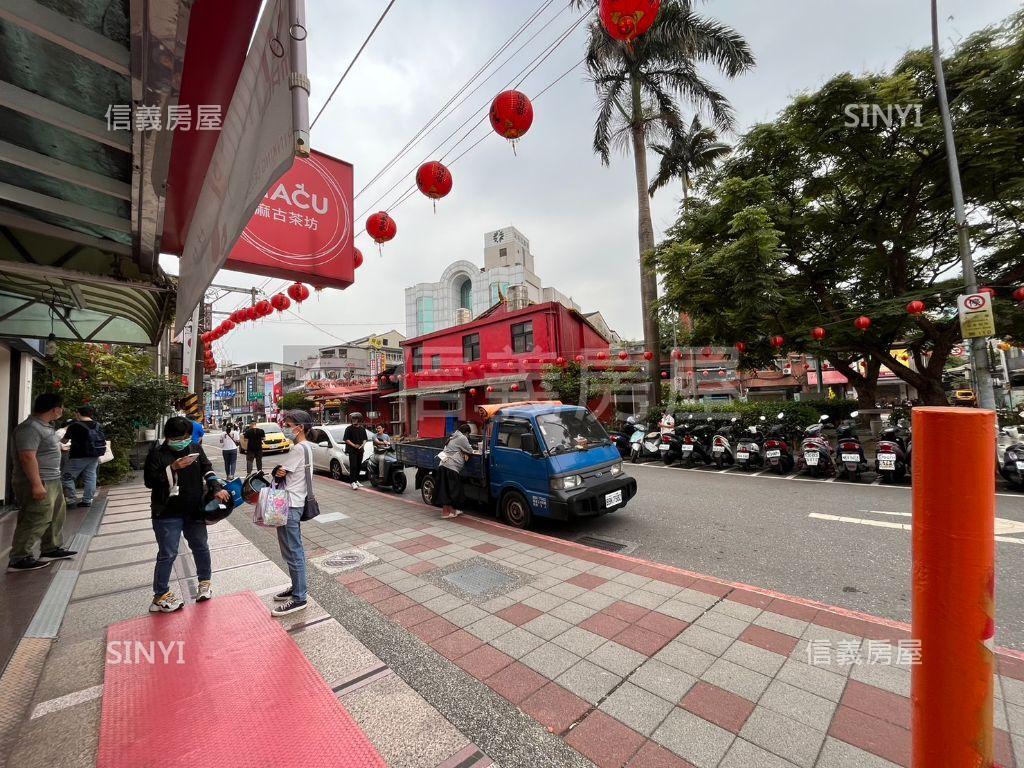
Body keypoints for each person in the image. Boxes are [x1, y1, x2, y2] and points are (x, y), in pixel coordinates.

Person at [143, 416, 229, 612]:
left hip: (194, 509)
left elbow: (207, 469)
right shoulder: (157, 453)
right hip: (167, 512)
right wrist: (172, 468)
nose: (184, 440)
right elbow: (150, 481)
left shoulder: (194, 448)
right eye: (180, 437)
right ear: (168, 436)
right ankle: (160, 594)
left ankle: (205, 583)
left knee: (200, 546)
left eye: (187, 436)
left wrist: (215, 487)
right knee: (168, 553)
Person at [8, 393, 77, 572]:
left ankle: (51, 548)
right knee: (36, 517)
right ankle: (19, 558)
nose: (61, 410)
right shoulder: (30, 428)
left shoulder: (45, 426)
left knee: (55, 515)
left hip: (52, 478)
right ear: (55, 409)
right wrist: (37, 484)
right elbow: (27, 456)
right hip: (37, 480)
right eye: (61, 407)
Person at [271, 410, 314, 616]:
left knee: (293, 551)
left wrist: (278, 471)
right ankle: (296, 587)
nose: (286, 428)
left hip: (288, 504)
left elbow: (281, 473)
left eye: (288, 425)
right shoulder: (307, 447)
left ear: (300, 427)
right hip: (293, 503)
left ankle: (299, 597)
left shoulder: (298, 449)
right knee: (291, 550)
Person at [60, 405, 106, 508]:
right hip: (94, 455)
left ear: (78, 414)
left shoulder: (74, 426)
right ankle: (87, 500)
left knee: (66, 477)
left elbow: (64, 441)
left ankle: (70, 500)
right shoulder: (98, 425)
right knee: (90, 477)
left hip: (78, 456)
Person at [436, 423, 473, 520]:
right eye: (468, 434)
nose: (468, 436)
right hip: (451, 467)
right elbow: (470, 450)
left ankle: (448, 512)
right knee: (453, 491)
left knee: (445, 490)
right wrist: (465, 452)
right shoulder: (462, 438)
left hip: (443, 465)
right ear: (466, 432)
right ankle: (450, 511)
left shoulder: (452, 436)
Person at [342, 413, 368, 489]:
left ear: (359, 420)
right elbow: (346, 439)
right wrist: (354, 445)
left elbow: (365, 439)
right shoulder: (348, 429)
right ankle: (352, 482)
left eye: (355, 419)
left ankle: (356, 480)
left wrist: (362, 445)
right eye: (353, 419)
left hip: (360, 450)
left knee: (359, 466)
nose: (354, 420)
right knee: (353, 466)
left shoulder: (362, 429)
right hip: (352, 450)